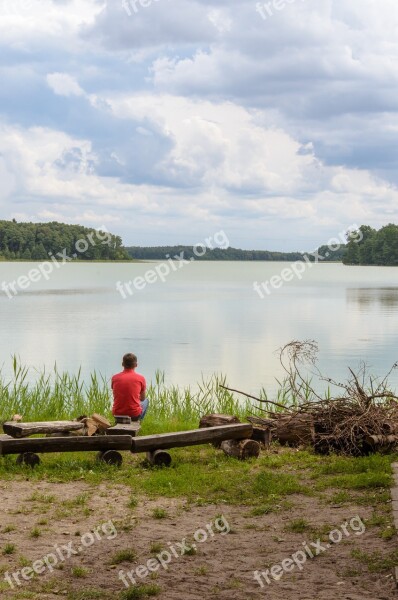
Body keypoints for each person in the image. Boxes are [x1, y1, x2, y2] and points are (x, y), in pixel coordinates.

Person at [111, 353, 148, 421]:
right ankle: (137, 421)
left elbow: (116, 393)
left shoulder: (114, 378)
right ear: (136, 365)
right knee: (146, 401)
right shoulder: (141, 378)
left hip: (117, 414)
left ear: (122, 364)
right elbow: (142, 398)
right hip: (134, 415)